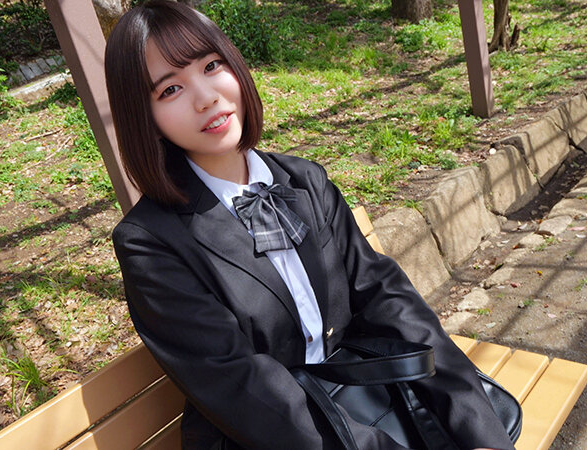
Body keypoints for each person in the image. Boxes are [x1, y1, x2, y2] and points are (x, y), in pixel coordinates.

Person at [105, 1, 513, 449]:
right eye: (170, 89)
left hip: (357, 394)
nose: (206, 97)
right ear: (146, 120)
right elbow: (248, 392)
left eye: (211, 65)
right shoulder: (151, 244)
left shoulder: (304, 181)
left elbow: (388, 298)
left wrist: (478, 428)